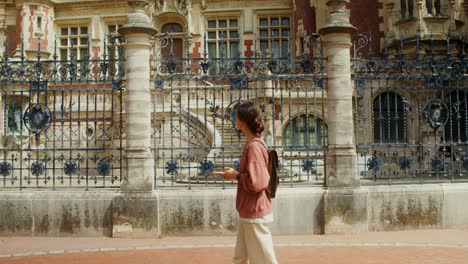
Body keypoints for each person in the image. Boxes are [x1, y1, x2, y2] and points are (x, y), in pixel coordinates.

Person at [218, 101, 278, 264]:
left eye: (235, 115)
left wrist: (236, 175)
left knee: (264, 260)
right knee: (240, 258)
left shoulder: (254, 147)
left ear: (242, 121)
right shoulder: (254, 143)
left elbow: (258, 182)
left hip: (255, 211)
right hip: (249, 211)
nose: (233, 118)